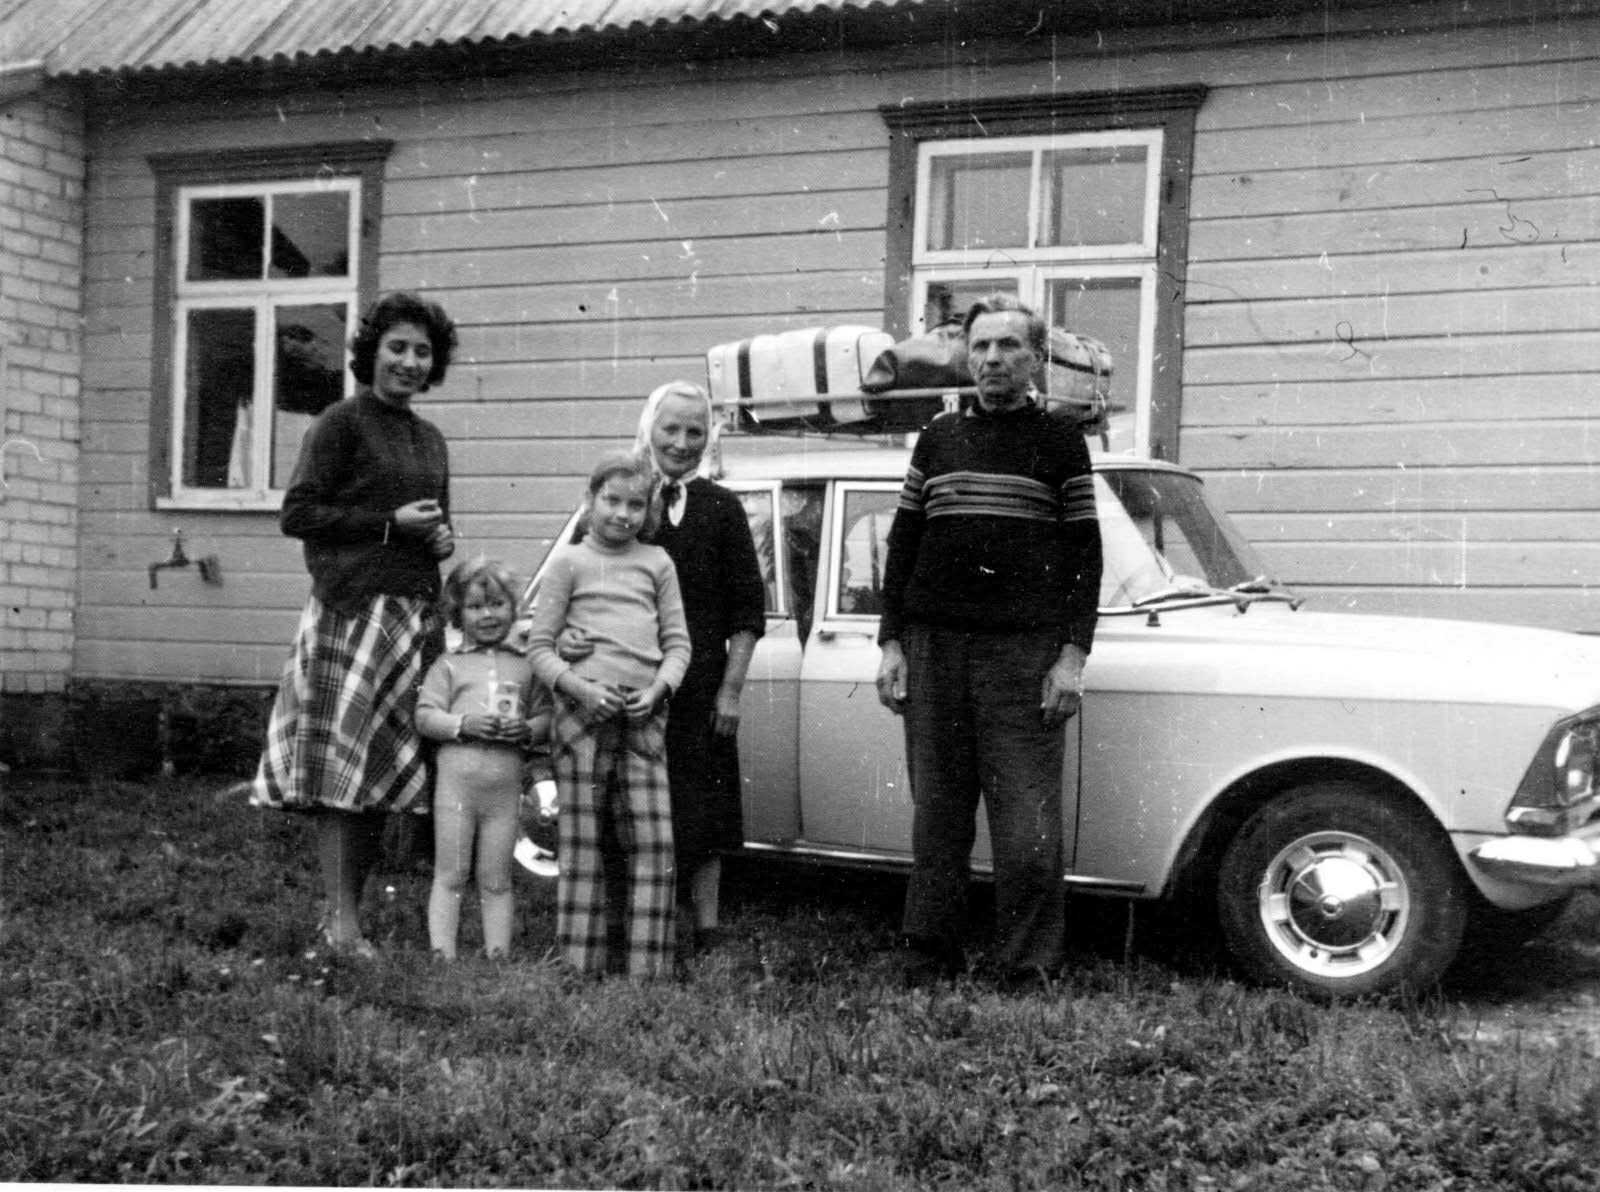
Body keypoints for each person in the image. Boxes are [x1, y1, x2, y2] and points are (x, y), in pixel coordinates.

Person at [874, 293, 1103, 990]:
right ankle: (928, 952)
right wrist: (891, 643)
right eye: (980, 346)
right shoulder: (938, 438)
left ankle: (1028, 966)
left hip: (1022, 657)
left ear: (1036, 359)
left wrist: (1071, 656)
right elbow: (904, 544)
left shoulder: (1061, 440)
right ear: (966, 357)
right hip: (934, 651)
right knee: (937, 818)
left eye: (1008, 346)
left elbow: (1085, 557)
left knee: (1027, 824)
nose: (993, 359)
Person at [249, 291, 458, 959]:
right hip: (352, 612)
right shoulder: (340, 423)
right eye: (397, 347)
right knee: (344, 776)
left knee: (376, 776)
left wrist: (440, 543)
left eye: (422, 351)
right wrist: (390, 526)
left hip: (409, 619)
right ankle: (340, 924)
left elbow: (430, 527)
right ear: (372, 352)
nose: (409, 361)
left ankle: (348, 915)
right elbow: (298, 514)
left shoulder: (429, 438)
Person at [556, 381, 766, 954]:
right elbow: (570, 580)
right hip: (617, 684)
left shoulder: (722, 508)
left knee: (703, 808)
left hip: (697, 687)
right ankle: (618, 924)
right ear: (648, 427)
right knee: (617, 806)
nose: (681, 441)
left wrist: (730, 691)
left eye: (695, 430)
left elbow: (748, 611)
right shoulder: (618, 498)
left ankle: (706, 927)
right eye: (670, 428)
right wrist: (569, 635)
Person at [527, 451, 692, 980]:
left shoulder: (658, 563)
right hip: (581, 713)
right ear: (590, 500)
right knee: (582, 840)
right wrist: (580, 688)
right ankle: (580, 965)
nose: (622, 514)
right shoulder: (568, 562)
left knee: (653, 841)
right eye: (611, 500)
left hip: (643, 713)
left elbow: (678, 645)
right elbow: (540, 648)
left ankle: (648, 970)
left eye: (635, 505)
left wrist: (660, 689)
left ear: (649, 511)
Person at [415, 556, 548, 959]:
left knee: (497, 877)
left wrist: (528, 730)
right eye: (475, 607)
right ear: (458, 613)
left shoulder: (527, 666)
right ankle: (443, 955)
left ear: (514, 608)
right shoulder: (448, 665)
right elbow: (425, 716)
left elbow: (546, 717)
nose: (487, 615)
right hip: (457, 790)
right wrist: (462, 724)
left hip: (503, 793)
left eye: (496, 604)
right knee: (451, 873)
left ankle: (498, 955)